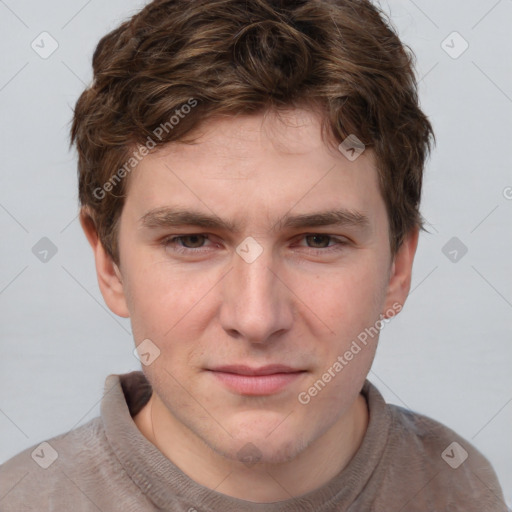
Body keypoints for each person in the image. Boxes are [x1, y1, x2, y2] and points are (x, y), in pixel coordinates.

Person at [0, 0, 507, 510]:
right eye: (192, 240)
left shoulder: (461, 486)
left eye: (318, 241)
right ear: (109, 264)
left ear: (398, 266)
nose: (257, 318)